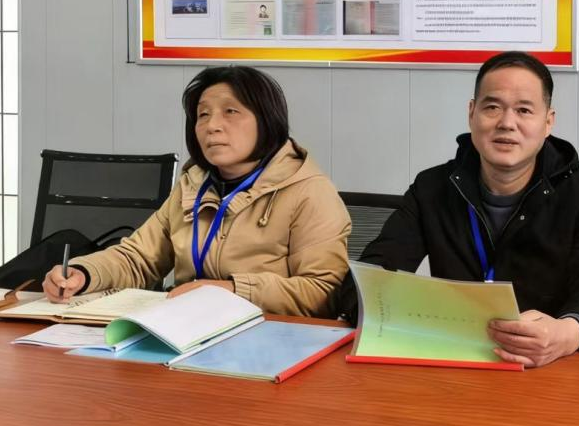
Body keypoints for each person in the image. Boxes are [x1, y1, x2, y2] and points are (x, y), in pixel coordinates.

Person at [340, 51, 579, 368]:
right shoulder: (433, 188)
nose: (507, 123)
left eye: (524, 110)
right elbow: (373, 273)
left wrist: (568, 333)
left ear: (548, 122)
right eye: (492, 107)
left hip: (550, 366)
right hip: (457, 360)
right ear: (471, 113)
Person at [42, 66, 350, 316]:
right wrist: (85, 274)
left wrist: (231, 290)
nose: (212, 125)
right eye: (203, 114)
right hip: (188, 329)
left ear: (267, 120)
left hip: (271, 337)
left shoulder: (309, 191)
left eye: (231, 111)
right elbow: (138, 258)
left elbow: (324, 293)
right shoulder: (193, 186)